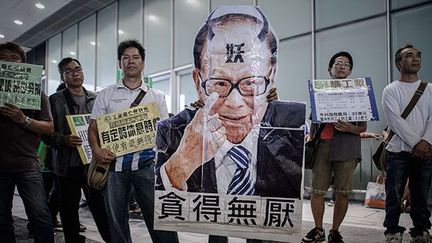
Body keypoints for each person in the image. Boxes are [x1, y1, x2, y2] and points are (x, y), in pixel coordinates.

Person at [155, 6, 305, 243]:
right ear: (198, 80)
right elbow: (161, 202)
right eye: (219, 83)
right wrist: (181, 164)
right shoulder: (174, 132)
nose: (235, 103)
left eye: (250, 83)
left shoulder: (290, 127)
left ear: (271, 73)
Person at [88, 39, 179, 243]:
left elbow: (164, 131)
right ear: (119, 64)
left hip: (147, 166)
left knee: (159, 219)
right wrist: (97, 150)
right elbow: (93, 129)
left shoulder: (156, 96)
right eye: (125, 58)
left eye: (135, 57)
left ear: (143, 63)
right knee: (117, 222)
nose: (131, 61)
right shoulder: (105, 95)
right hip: (114, 167)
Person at [302, 51, 367, 243]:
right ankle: (318, 229)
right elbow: (314, 121)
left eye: (346, 64)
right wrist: (311, 138)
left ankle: (335, 231)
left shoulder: (359, 93)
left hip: (347, 147)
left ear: (350, 71)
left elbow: (363, 127)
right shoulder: (319, 91)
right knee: (317, 191)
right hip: (322, 146)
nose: (341, 66)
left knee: (342, 192)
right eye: (337, 63)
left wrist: (349, 127)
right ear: (329, 69)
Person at [48, 57, 111, 243]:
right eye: (69, 70)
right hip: (67, 165)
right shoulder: (55, 100)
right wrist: (63, 139)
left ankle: (110, 238)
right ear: (62, 77)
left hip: (94, 163)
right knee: (69, 209)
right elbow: (46, 133)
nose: (76, 73)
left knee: (101, 207)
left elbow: (105, 126)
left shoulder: (97, 98)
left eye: (78, 69)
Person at [0, 42, 55, 243]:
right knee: (2, 219)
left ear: (23, 65)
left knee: (40, 216)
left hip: (27, 164)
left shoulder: (36, 93)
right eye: (3, 59)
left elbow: (49, 127)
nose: (9, 63)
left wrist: (22, 119)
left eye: (14, 59)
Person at [382, 44, 432, 243]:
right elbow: (395, 121)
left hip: (425, 151)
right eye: (409, 55)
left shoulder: (429, 89)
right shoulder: (391, 90)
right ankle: (392, 231)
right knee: (393, 194)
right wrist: (417, 143)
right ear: (398, 63)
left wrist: (426, 141)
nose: (415, 58)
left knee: (421, 194)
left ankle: (421, 231)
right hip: (398, 153)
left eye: (418, 55)